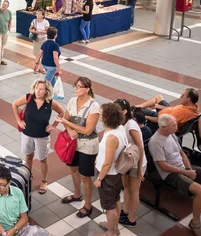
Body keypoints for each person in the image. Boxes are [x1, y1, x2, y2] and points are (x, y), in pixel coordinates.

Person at [148, 114, 201, 236]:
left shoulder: (171, 134)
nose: (177, 127)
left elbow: (182, 153)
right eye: (174, 125)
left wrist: (189, 169)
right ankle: (195, 223)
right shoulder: (155, 141)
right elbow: (163, 166)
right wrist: (186, 172)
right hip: (170, 174)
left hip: (184, 168)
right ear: (164, 127)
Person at [54, 77, 100, 218]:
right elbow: (66, 120)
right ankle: (77, 194)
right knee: (73, 170)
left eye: (79, 87)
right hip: (73, 143)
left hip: (87, 145)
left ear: (87, 89)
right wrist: (68, 129)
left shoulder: (94, 106)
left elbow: (87, 130)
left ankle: (88, 205)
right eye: (75, 86)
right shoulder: (72, 101)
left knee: (85, 176)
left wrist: (68, 124)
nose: (76, 88)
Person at [12, 79, 64, 195]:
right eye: (36, 88)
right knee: (28, 156)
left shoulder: (50, 102)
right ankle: (28, 176)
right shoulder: (28, 98)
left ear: (46, 91)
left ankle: (44, 181)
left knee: (42, 159)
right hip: (27, 133)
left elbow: (61, 112)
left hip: (42, 136)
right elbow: (14, 104)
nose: (38, 91)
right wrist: (19, 121)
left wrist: (54, 126)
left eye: (41, 89)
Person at [0, 166, 48, 236]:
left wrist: (14, 230)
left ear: (9, 182)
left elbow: (24, 218)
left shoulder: (18, 192)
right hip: (1, 233)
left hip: (20, 229)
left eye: (2, 185)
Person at [94, 103, 127, 236]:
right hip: (115, 174)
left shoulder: (112, 137)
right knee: (116, 200)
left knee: (109, 206)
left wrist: (99, 179)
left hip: (108, 175)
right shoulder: (119, 128)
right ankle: (114, 226)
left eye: (101, 115)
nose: (100, 117)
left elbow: (107, 163)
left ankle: (111, 232)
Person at [113, 99, 146, 228]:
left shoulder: (131, 125)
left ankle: (132, 218)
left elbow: (141, 147)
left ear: (125, 111)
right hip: (126, 161)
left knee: (134, 191)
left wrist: (139, 169)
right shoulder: (120, 122)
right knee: (126, 187)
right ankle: (126, 211)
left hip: (137, 162)